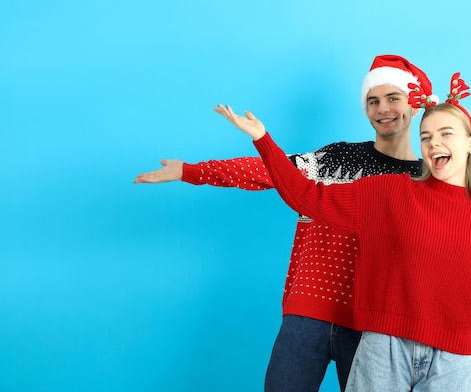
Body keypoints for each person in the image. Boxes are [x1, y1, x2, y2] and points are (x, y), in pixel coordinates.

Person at [212, 71, 471, 392]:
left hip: (453, 364)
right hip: (384, 351)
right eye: (427, 137)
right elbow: (308, 197)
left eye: (446, 133)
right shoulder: (393, 191)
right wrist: (263, 139)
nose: (434, 144)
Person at [135, 55, 438, 392]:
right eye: (373, 101)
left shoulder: (426, 180)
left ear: (414, 105)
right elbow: (270, 170)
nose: (382, 108)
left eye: (392, 98)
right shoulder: (337, 158)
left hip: (372, 326)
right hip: (309, 310)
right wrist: (191, 171)